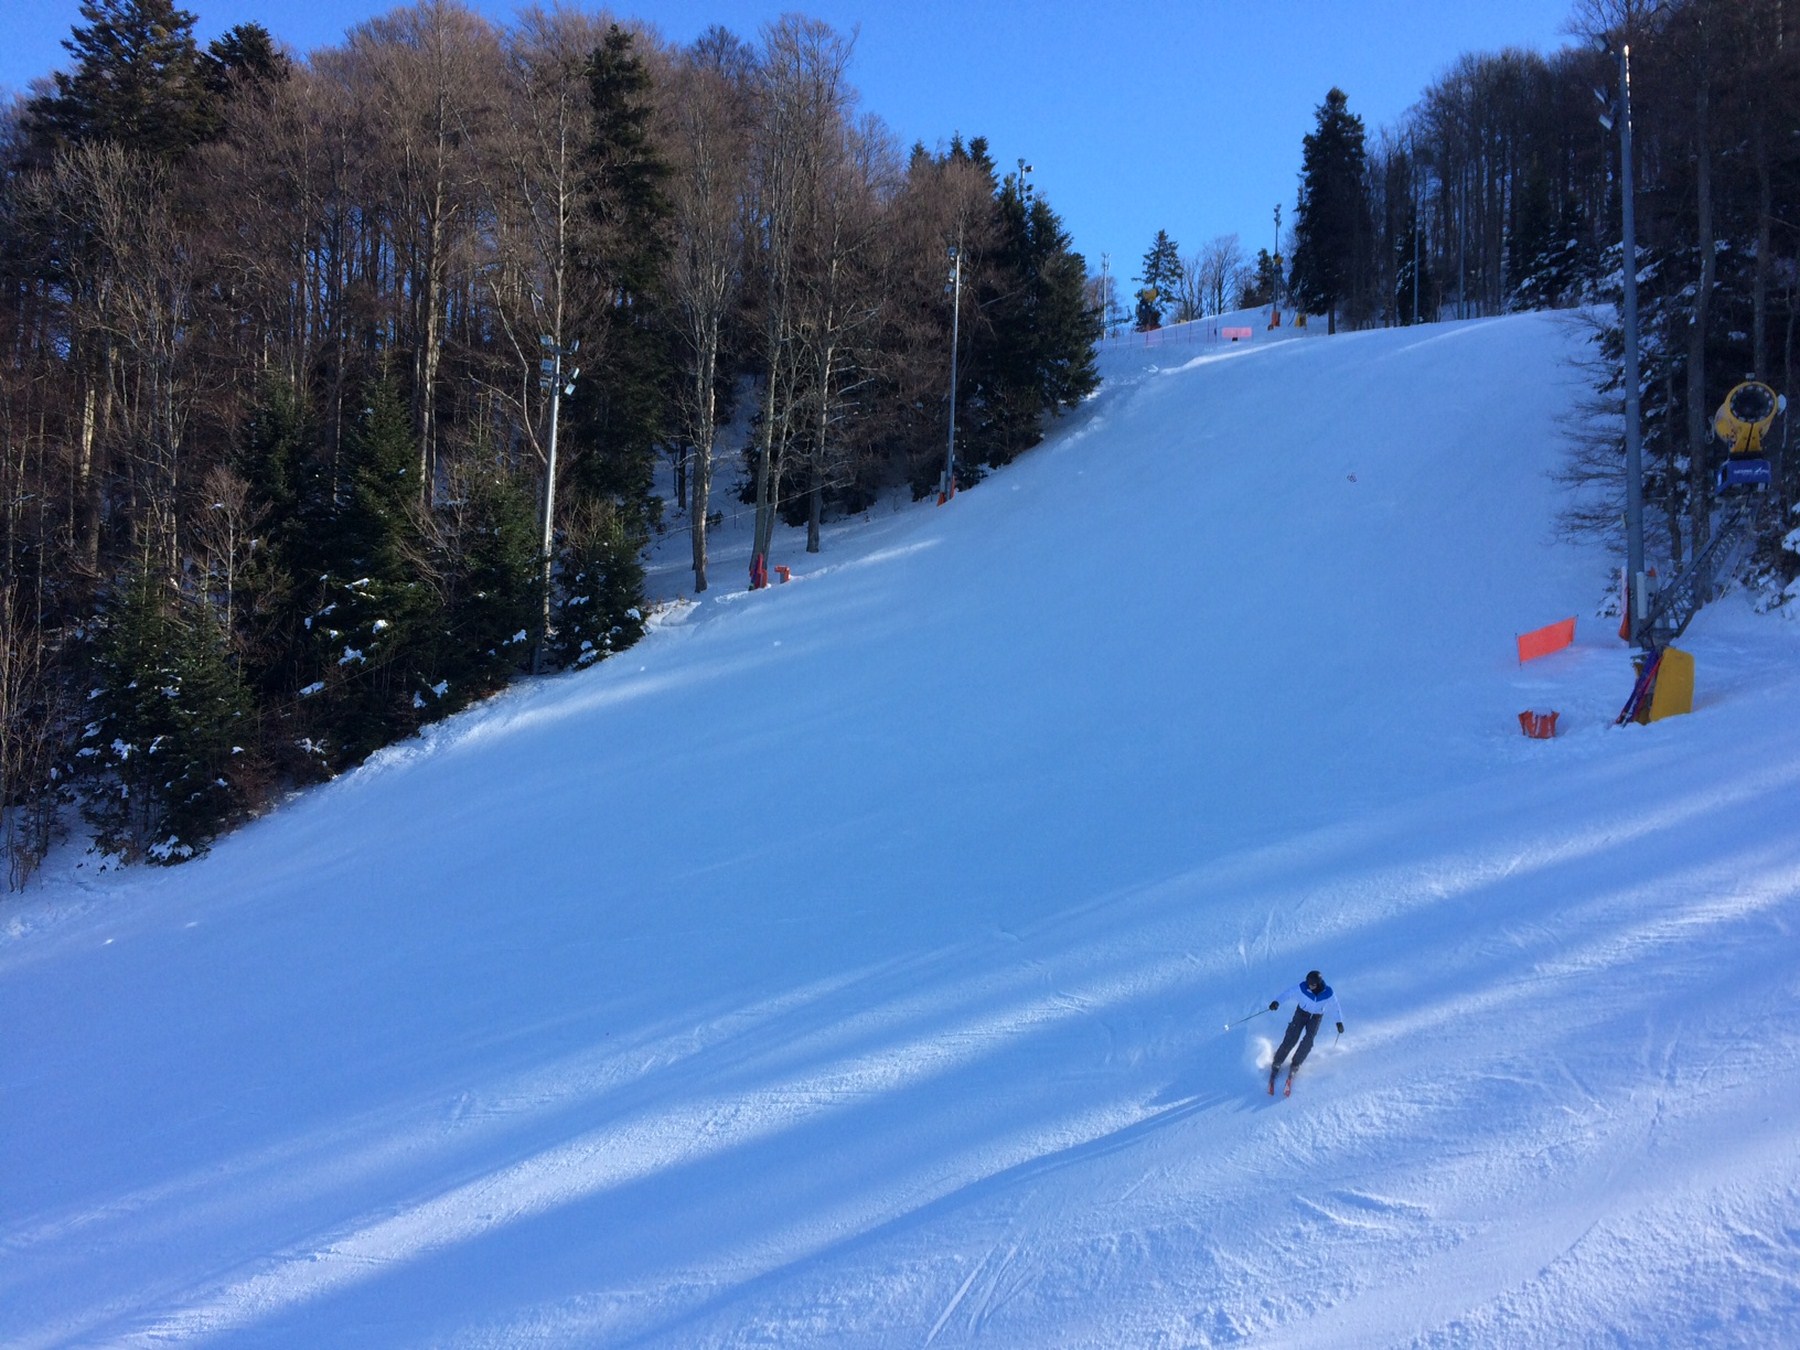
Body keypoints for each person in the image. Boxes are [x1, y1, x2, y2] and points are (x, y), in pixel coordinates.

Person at [1267, 970, 1345, 1092]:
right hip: (1301, 1014)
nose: (1309, 986)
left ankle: (1296, 1063)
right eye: (1308, 983)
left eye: (1312, 984)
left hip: (1316, 1017)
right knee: (1292, 1037)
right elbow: (1288, 993)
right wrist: (1277, 1002)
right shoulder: (1303, 987)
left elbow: (1336, 1007)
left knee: (1309, 1041)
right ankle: (1277, 1061)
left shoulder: (1328, 992)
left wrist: (1339, 1022)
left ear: (1318, 984)